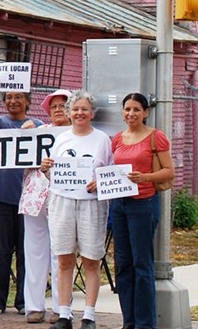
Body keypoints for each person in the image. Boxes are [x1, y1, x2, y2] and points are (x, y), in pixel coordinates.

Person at [39, 91, 113, 329]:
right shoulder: (61, 139)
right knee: (63, 259)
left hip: (91, 203)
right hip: (62, 201)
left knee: (91, 259)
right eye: (75, 109)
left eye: (84, 109)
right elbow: (55, 173)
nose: (79, 113)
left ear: (92, 113)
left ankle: (89, 314)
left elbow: (110, 173)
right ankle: (64, 313)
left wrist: (99, 183)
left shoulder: (102, 139)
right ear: (69, 113)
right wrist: (45, 168)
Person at [110, 93, 174, 329]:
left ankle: (145, 324)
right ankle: (129, 321)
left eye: (137, 109)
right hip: (119, 205)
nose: (131, 114)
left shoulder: (156, 137)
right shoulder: (117, 139)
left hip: (143, 203)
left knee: (142, 264)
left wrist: (145, 177)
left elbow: (169, 172)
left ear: (146, 112)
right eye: (127, 109)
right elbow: (112, 170)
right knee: (123, 264)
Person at [0, 79, 44, 315]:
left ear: (28, 101)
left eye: (18, 97)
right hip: (1, 197)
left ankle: (24, 301)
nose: (13, 101)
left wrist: (35, 132)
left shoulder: (37, 125)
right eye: (8, 97)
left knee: (26, 251)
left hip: (28, 199)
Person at [19, 89, 72, 324]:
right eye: (54, 106)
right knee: (34, 252)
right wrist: (22, 134)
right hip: (35, 197)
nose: (59, 109)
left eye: (63, 105)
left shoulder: (77, 135)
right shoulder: (38, 132)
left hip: (63, 198)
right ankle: (33, 306)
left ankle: (62, 308)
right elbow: (16, 154)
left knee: (61, 253)